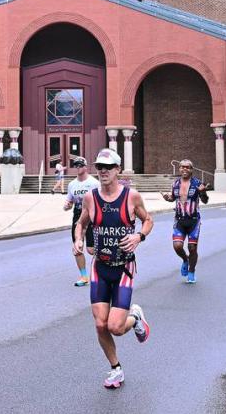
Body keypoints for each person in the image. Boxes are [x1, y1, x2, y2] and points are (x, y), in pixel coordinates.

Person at [73, 148, 154, 389]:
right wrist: (78, 239)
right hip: (100, 267)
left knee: (115, 328)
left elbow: (148, 220)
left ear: (118, 169)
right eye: (99, 167)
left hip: (123, 269)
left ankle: (136, 317)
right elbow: (81, 224)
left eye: (108, 167)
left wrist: (139, 236)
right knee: (100, 324)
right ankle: (115, 369)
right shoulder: (91, 197)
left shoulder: (131, 197)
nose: (103, 171)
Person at [162, 159, 209, 284]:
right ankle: (185, 259)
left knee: (192, 247)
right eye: (182, 167)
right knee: (177, 246)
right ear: (179, 169)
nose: (184, 169)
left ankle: (191, 271)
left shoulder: (197, 183)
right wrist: (168, 198)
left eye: (187, 167)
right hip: (179, 221)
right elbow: (173, 198)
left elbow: (205, 201)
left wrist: (203, 193)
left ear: (192, 170)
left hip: (194, 221)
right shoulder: (175, 184)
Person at [63, 156, 100, 286]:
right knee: (77, 247)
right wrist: (67, 205)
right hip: (78, 214)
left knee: (91, 249)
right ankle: (84, 277)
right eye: (76, 165)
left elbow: (101, 199)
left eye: (80, 165)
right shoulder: (72, 184)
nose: (78, 167)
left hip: (92, 215)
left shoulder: (94, 183)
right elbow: (69, 201)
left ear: (85, 167)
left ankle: (102, 271)